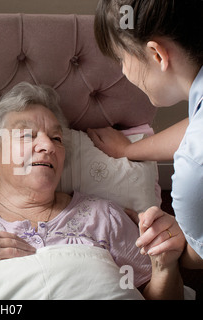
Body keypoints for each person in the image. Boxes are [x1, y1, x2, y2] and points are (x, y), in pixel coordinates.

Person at [0, 82, 185, 299]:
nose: (48, 146)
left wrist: (165, 266)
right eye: (27, 135)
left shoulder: (104, 217)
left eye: (56, 138)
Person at [88, 0, 203, 269]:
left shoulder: (193, 172)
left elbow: (196, 259)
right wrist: (128, 150)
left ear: (157, 55)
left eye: (121, 58)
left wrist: (177, 240)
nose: (124, 71)